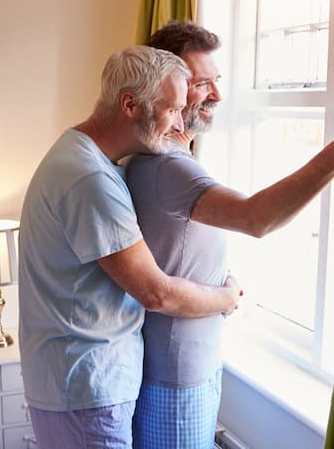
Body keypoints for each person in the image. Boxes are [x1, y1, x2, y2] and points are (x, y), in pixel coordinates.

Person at [126, 21, 334, 449]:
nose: (217, 95)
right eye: (202, 83)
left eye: (218, 81)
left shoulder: (165, 156)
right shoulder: (167, 165)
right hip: (176, 374)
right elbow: (257, 218)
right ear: (166, 85)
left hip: (187, 364)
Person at [17, 44, 243, 449]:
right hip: (87, 386)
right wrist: (225, 298)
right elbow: (155, 292)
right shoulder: (90, 180)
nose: (179, 124)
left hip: (77, 381)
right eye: (172, 109)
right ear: (130, 105)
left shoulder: (78, 153)